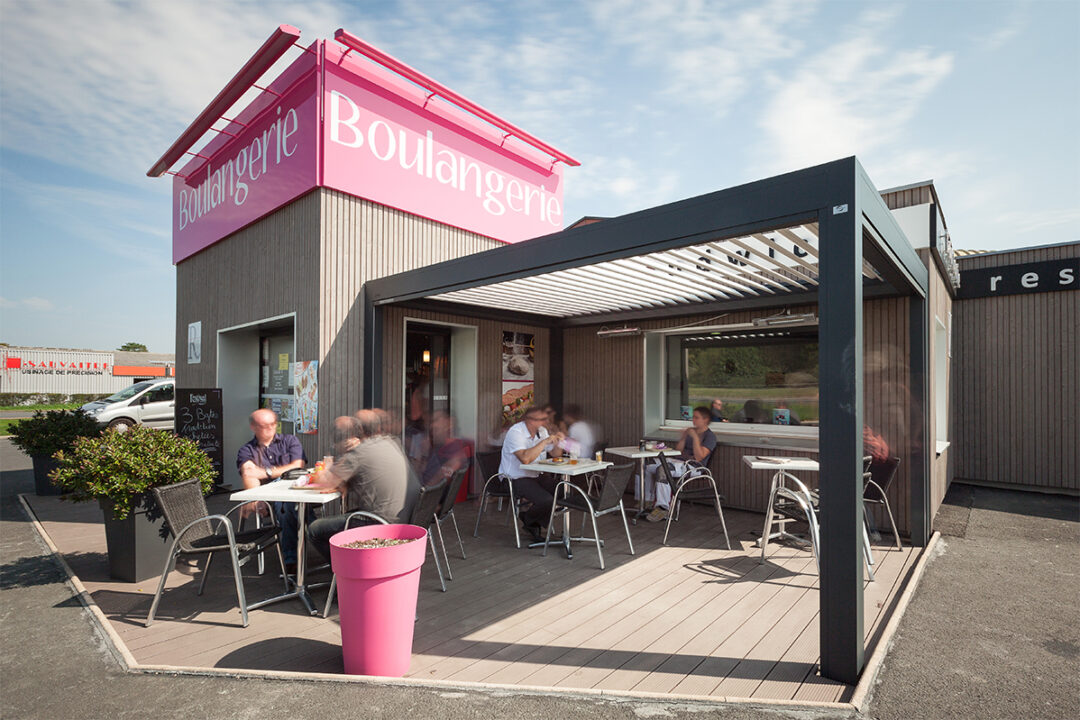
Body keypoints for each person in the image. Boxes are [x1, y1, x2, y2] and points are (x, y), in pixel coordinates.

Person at [306, 412, 420, 562]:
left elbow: (326, 481)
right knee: (346, 516)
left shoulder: (359, 453)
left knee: (315, 529)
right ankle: (353, 565)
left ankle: (346, 572)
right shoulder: (392, 441)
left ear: (355, 432)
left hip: (380, 522)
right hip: (406, 517)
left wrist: (329, 460)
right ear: (379, 427)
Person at [236, 408, 307, 570]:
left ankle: (307, 543)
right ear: (253, 427)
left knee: (291, 506)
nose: (270, 428)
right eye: (264, 425)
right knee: (286, 505)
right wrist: (257, 498)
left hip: (298, 491)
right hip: (271, 499)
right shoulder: (247, 450)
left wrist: (266, 472)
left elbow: (297, 466)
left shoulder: (290, 441)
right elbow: (248, 473)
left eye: (273, 424)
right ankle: (292, 561)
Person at [499, 405, 565, 541]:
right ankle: (532, 523)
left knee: (563, 490)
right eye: (542, 419)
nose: (546, 422)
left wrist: (559, 442)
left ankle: (529, 519)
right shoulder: (516, 432)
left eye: (546, 419)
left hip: (535, 475)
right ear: (530, 420)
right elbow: (525, 458)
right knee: (546, 500)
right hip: (514, 478)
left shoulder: (542, 431)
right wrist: (545, 442)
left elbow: (555, 454)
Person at [642, 405, 717, 522]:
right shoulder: (691, 432)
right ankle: (646, 501)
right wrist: (683, 437)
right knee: (647, 464)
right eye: (693, 417)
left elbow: (699, 457)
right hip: (679, 461)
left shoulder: (710, 436)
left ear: (705, 420)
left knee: (663, 469)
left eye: (697, 418)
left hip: (694, 467)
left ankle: (663, 508)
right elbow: (679, 451)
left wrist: (695, 438)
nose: (693, 420)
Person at [420, 410, 472, 487]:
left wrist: (422, 492)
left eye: (436, 420)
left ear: (450, 422)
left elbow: (439, 481)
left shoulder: (455, 449)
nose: (432, 425)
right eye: (431, 422)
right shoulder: (437, 448)